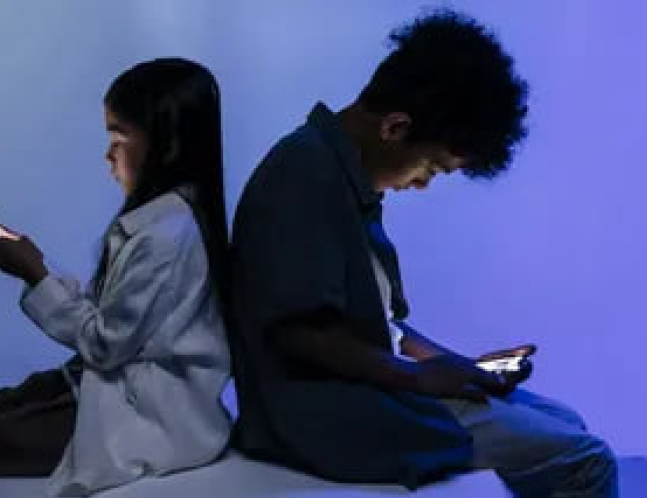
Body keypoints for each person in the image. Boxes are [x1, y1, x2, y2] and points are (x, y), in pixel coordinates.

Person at [228, 10, 618, 498]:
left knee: (565, 421)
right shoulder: (304, 176)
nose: (422, 184)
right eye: (431, 167)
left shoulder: (339, 176)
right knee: (585, 459)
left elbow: (381, 326)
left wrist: (462, 367)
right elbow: (296, 332)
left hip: (367, 391)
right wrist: (417, 377)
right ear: (395, 127)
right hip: (327, 416)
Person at [0, 58, 233, 498]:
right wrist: (37, 266)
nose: (108, 154)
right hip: (116, 392)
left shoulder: (167, 235)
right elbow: (108, 320)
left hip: (145, 418)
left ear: (166, 144)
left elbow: (105, 344)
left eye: (119, 138)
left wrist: (32, 273)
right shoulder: (163, 223)